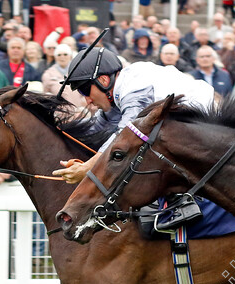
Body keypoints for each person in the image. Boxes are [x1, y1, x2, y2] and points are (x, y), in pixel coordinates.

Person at [53, 47, 215, 184]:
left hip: (207, 133)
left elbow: (125, 136)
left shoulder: (134, 88)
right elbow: (96, 126)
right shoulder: (119, 90)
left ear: (103, 80)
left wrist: (88, 169)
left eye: (84, 90)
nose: (87, 100)